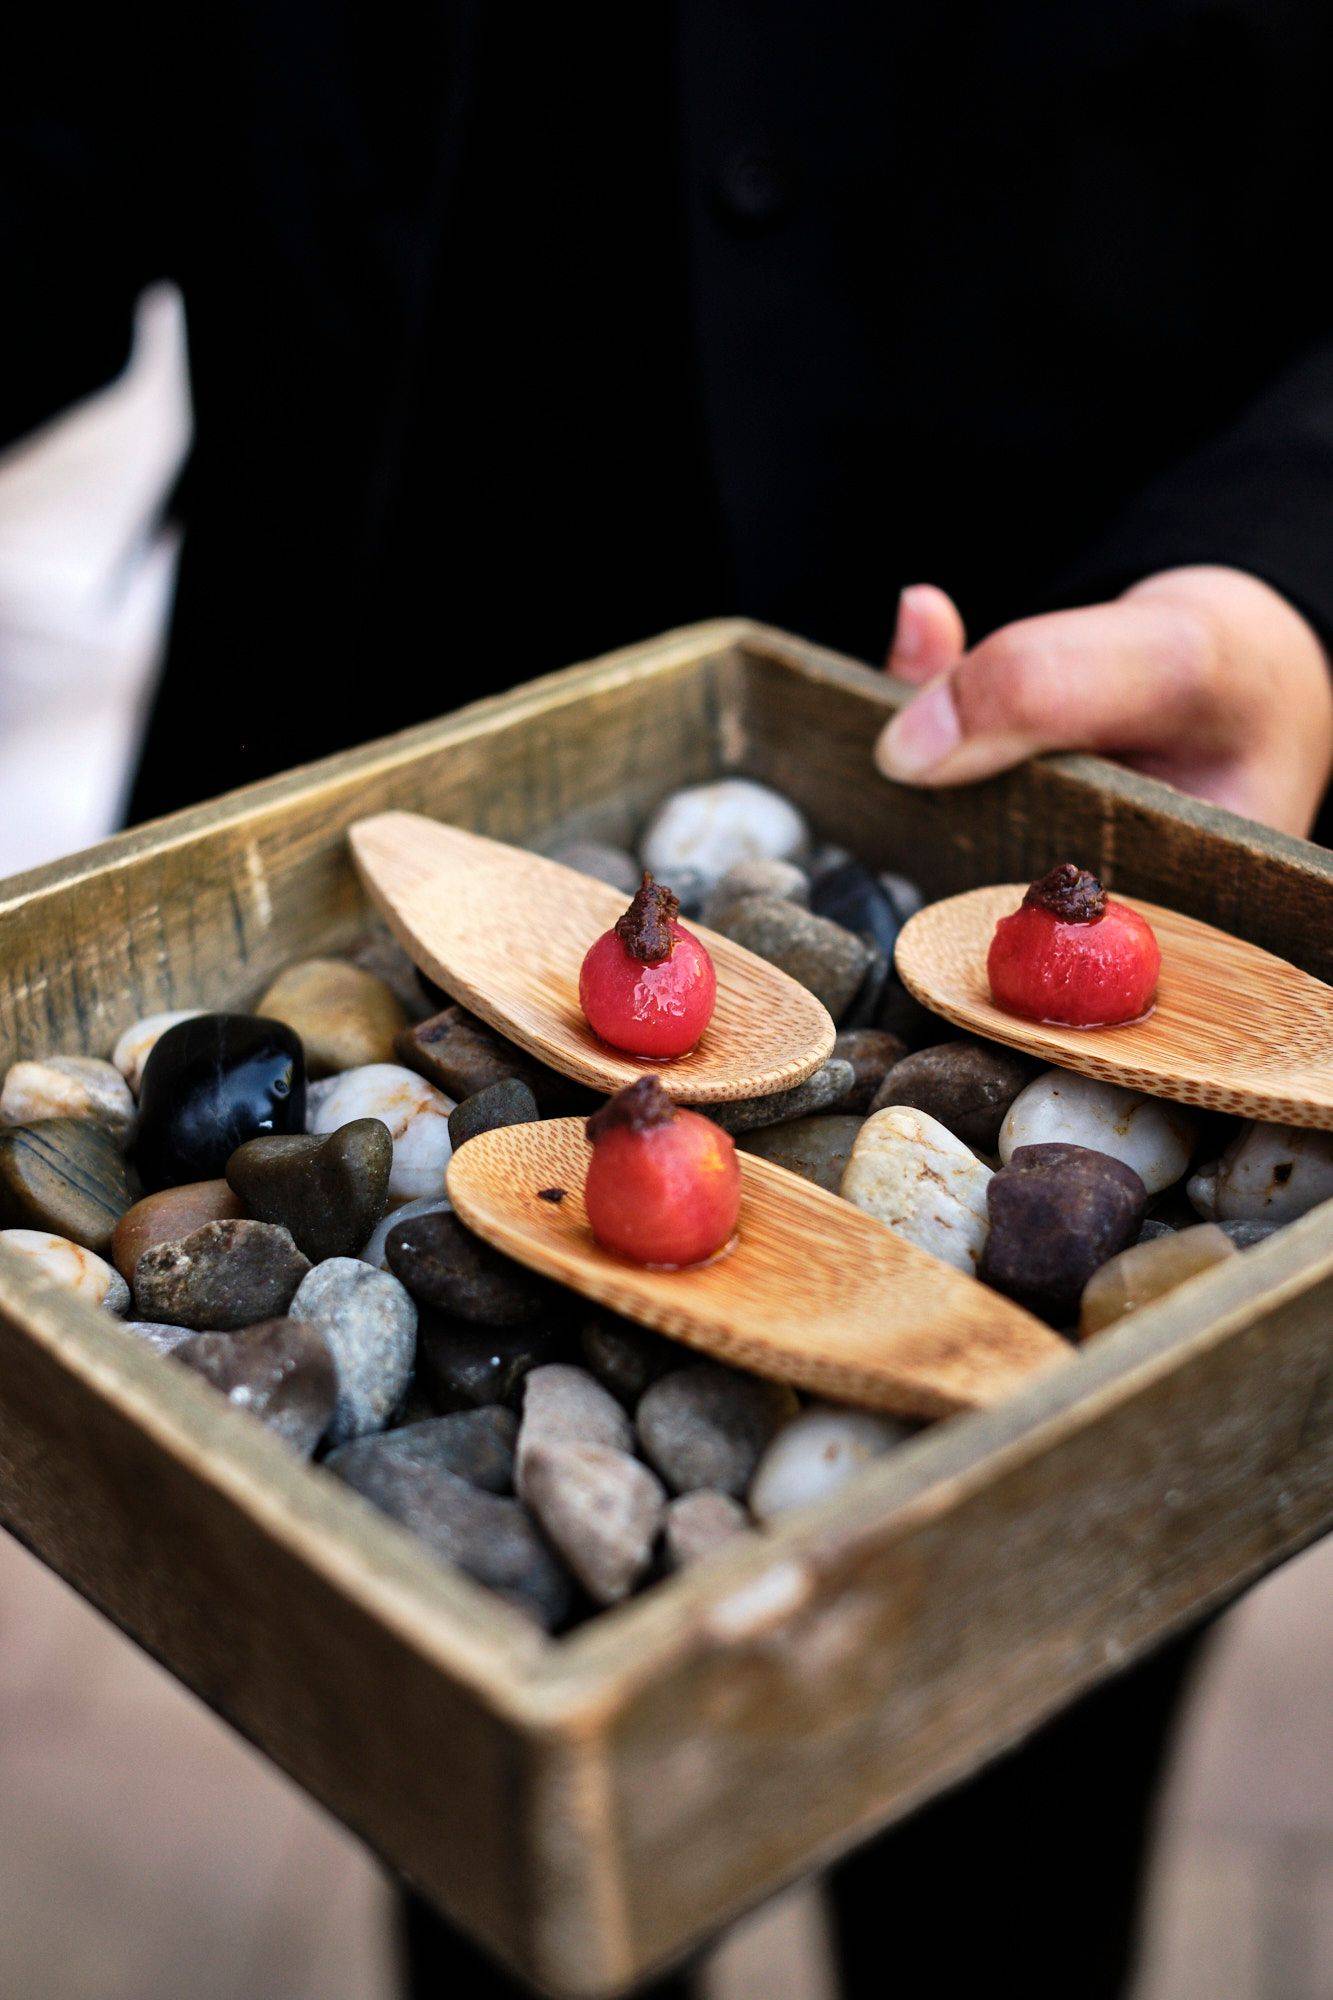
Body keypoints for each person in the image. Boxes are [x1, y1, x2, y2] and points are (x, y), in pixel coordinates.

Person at [4, 6, 1330, 1997]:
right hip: (391, 672)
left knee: (1014, 1839)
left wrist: (1292, 576)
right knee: (508, 1879)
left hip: (1066, 662)